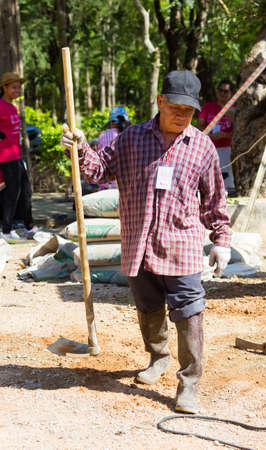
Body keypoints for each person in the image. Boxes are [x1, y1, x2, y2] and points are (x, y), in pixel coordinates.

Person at [62, 70, 232, 414]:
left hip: (181, 245)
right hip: (139, 243)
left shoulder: (202, 147)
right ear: (160, 101)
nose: (182, 116)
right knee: (148, 306)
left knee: (189, 311)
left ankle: (189, 384)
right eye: (176, 109)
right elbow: (98, 171)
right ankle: (158, 357)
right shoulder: (131, 138)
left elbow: (215, 199)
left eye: (189, 112)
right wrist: (79, 147)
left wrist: (221, 238)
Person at [0, 72, 38, 240]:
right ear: (4, 88)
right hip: (5, 157)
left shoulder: (13, 107)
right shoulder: (0, 106)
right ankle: (6, 230)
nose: (17, 90)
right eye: (14, 87)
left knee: (26, 191)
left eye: (19, 87)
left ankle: (30, 226)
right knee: (12, 193)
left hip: (16, 156)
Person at [197, 79, 235, 195]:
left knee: (228, 179)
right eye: (221, 90)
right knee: (209, 176)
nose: (223, 93)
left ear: (231, 93)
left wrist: (225, 135)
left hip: (228, 149)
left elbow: (239, 131)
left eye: (226, 91)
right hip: (209, 148)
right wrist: (210, 137)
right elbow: (199, 127)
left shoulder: (234, 109)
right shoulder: (208, 107)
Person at [96, 106, 130, 191]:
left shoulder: (103, 135)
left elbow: (99, 160)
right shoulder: (131, 134)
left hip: (105, 186)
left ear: (111, 122)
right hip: (126, 188)